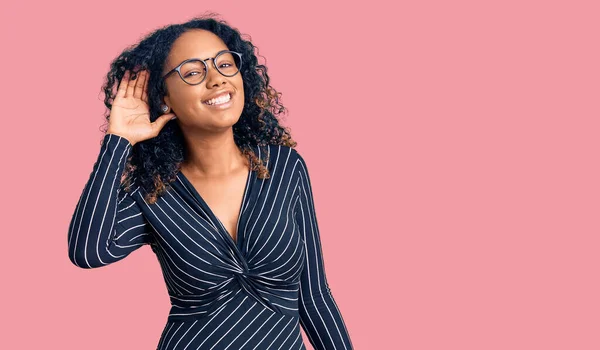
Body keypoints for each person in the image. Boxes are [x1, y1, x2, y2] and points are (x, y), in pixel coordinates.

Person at [67, 14, 354, 350]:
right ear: (164, 99)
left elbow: (314, 295)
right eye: (192, 72)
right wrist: (118, 141)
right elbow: (89, 251)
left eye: (224, 64)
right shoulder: (154, 190)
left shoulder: (284, 167)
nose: (217, 80)